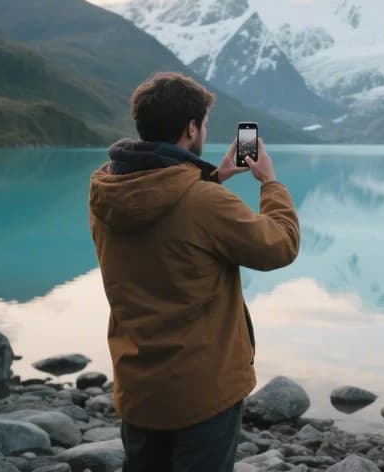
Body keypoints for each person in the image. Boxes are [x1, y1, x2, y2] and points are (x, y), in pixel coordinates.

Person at [88, 72, 300, 471]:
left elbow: (166, 217)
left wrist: (215, 176)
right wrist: (269, 183)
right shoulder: (206, 203)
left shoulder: (107, 191)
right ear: (191, 128)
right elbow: (280, 245)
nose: (204, 130)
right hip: (202, 392)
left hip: (139, 385)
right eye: (203, 123)